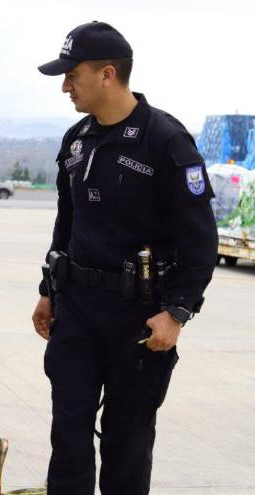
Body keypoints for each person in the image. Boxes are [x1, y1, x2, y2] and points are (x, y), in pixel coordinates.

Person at [31, 22, 217, 495]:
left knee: (127, 443)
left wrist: (177, 312)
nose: (65, 85)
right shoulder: (76, 141)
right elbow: (65, 225)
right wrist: (48, 292)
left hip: (139, 320)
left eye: (72, 74)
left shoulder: (166, 142)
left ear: (107, 74)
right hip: (76, 310)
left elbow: (201, 241)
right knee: (68, 435)